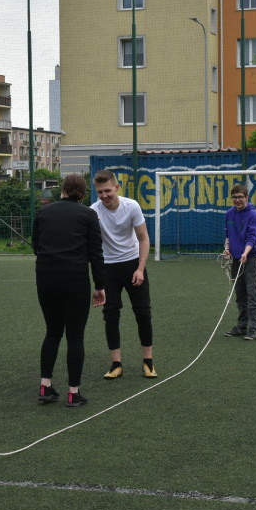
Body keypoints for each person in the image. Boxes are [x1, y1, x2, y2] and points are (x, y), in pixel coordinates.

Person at [33, 173, 106, 407]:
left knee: (52, 332)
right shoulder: (88, 215)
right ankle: (73, 392)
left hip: (45, 277)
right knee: (75, 336)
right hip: (75, 279)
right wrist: (100, 286)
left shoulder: (43, 212)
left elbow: (36, 246)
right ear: (83, 193)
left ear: (62, 189)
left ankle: (45, 386)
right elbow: (96, 253)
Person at [91, 168, 157, 379]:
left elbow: (143, 238)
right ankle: (116, 364)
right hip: (108, 268)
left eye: (108, 191)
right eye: (100, 192)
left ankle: (148, 362)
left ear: (117, 188)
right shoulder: (93, 211)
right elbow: (90, 245)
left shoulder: (132, 206)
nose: (104, 196)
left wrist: (140, 268)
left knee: (143, 312)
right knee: (110, 314)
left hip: (133, 264)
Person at [223, 183, 256, 340]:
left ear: (246, 197)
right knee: (240, 295)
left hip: (250, 259)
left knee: (253, 295)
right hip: (235, 261)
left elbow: (252, 237)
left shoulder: (253, 215)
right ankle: (241, 326)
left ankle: (254, 328)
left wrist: (245, 253)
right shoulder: (229, 214)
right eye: (234, 197)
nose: (237, 200)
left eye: (240, 197)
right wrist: (227, 248)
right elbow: (227, 234)